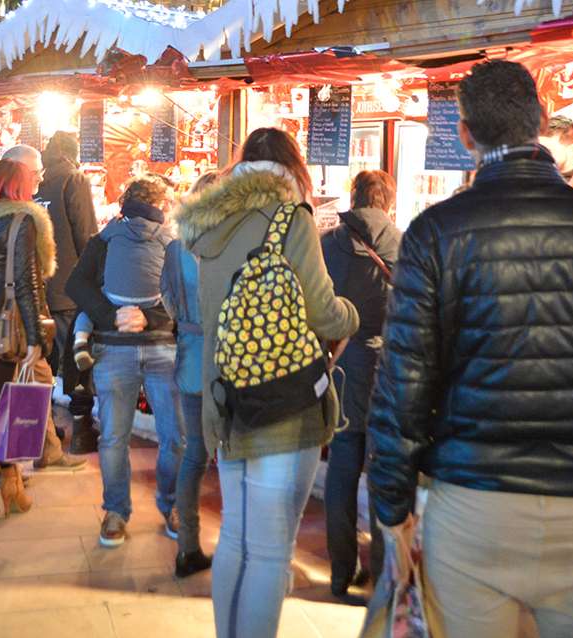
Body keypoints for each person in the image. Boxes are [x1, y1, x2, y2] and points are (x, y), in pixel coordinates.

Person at [366, 60, 573, 638]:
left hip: (472, 507)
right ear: (540, 123)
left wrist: (392, 507)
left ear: (465, 134)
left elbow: (404, 381)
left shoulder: (436, 233)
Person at [175, 127, 358, 638]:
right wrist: (351, 315)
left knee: (236, 535)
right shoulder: (288, 218)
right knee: (272, 548)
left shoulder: (208, 226)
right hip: (282, 400)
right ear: (292, 168)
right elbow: (324, 312)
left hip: (224, 397)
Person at [0, 151, 81, 522]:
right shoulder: (23, 220)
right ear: (18, 187)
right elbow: (26, 282)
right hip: (1, 324)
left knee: (3, 404)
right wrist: (37, 335)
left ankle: (12, 483)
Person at [66, 174, 184, 548]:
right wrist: (119, 316)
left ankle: (119, 513)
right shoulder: (170, 243)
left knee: (115, 437)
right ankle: (169, 508)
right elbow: (186, 297)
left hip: (122, 349)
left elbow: (77, 285)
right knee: (174, 436)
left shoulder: (103, 241)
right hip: (159, 348)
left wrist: (114, 315)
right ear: (162, 206)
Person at [320, 169, 401, 599]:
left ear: (353, 197)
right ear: (388, 200)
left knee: (343, 466)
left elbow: (316, 305)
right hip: (390, 368)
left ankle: (340, 571)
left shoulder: (328, 243)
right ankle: (385, 574)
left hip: (344, 362)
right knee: (385, 471)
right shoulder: (405, 242)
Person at [15, 133, 100, 455]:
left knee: (41, 360)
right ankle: (81, 429)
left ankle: (42, 428)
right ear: (73, 154)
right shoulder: (72, 179)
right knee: (78, 359)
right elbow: (87, 234)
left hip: (37, 289)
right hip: (69, 289)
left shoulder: (32, 183)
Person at [163, 171, 220, 580]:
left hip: (189, 357)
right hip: (230, 362)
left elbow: (166, 296)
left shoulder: (175, 246)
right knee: (235, 457)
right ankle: (240, 550)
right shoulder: (233, 243)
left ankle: (188, 547)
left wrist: (185, 322)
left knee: (195, 454)